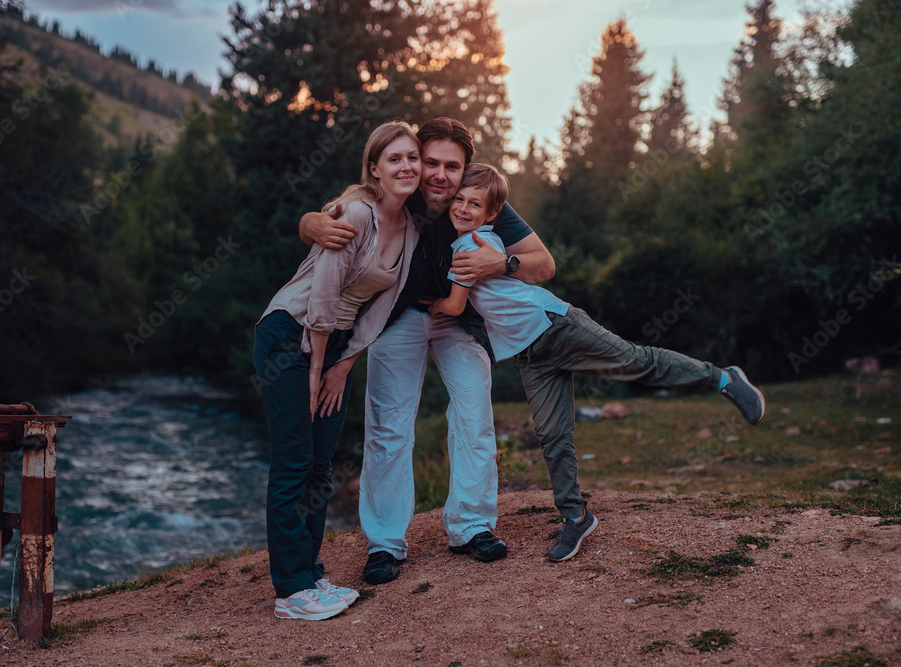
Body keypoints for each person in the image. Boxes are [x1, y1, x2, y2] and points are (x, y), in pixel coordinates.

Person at [429, 163, 767, 561]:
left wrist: (421, 303)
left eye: (475, 204)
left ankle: (723, 378)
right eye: (459, 201)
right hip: (529, 354)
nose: (464, 209)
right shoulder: (473, 241)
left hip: (557, 326)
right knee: (552, 435)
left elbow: (453, 306)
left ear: (491, 215)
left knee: (638, 363)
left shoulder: (471, 247)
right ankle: (576, 518)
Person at [300, 118, 556, 585]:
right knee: (388, 425)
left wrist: (503, 261)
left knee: (474, 412)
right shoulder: (400, 188)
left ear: (467, 170)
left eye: (451, 167)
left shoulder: (483, 198)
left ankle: (472, 526)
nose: (439, 175)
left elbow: (545, 263)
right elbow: (336, 211)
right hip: (396, 319)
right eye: (431, 162)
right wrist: (312, 222)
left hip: (458, 321)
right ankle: (384, 543)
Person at [253, 121, 422, 620]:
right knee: (293, 461)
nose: (407, 166)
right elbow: (325, 289)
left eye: (412, 157)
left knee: (321, 463)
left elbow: (378, 310)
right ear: (374, 168)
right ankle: (290, 592)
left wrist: (342, 365)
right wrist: (315, 365)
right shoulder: (354, 213)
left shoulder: (410, 230)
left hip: (336, 345)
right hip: (291, 334)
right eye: (395, 158)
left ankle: (309, 574)